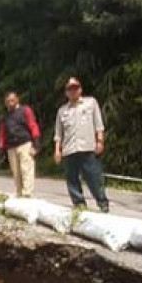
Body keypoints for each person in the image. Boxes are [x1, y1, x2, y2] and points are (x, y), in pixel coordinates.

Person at [54, 77, 110, 212]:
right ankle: (79, 203)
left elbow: (98, 124)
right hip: (69, 149)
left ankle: (102, 202)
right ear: (66, 92)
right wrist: (57, 150)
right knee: (72, 179)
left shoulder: (90, 103)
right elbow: (58, 133)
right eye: (70, 89)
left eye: (75, 88)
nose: (73, 91)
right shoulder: (62, 111)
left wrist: (100, 141)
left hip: (88, 148)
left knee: (94, 177)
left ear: (80, 89)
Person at [0, 92, 41, 198]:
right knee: (16, 173)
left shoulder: (25, 110)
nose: (10, 103)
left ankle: (27, 194)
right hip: (11, 146)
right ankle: (19, 193)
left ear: (17, 99)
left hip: (25, 143)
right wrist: (1, 148)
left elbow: (32, 125)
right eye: (8, 101)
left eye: (12, 100)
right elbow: (2, 133)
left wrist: (36, 143)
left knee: (26, 169)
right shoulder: (5, 116)